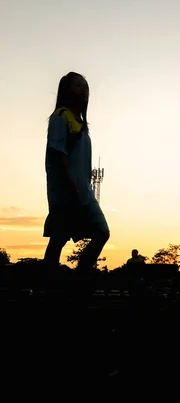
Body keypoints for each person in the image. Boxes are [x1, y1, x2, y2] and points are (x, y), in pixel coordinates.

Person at [42, 72, 110, 274]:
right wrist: (70, 185)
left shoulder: (82, 125)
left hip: (84, 191)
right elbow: (58, 155)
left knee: (102, 232)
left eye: (86, 86)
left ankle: (80, 275)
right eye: (79, 86)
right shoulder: (60, 117)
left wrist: (83, 188)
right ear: (67, 90)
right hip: (66, 191)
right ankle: (46, 283)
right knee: (59, 238)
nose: (84, 90)